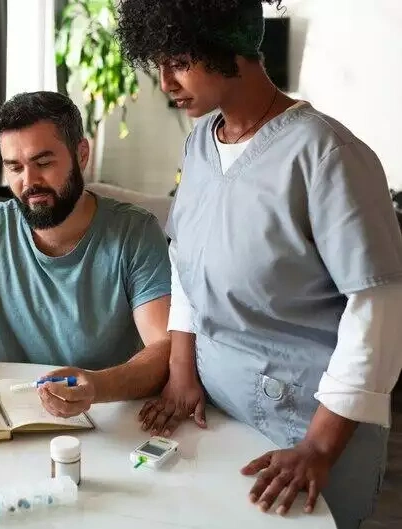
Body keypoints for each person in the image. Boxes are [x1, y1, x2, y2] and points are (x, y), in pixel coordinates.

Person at [116, 1, 402, 528]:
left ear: (230, 44)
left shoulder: (327, 155)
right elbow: (185, 260)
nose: (165, 82)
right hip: (216, 415)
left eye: (177, 60)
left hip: (304, 430)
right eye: (156, 63)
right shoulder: (202, 140)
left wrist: (319, 446)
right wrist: (181, 371)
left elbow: (377, 311)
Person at [0, 91, 172, 422]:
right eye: (14, 168)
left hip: (111, 418)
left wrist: (96, 386)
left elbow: (163, 349)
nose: (29, 183)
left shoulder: (135, 232)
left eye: (43, 163)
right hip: (13, 417)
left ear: (81, 154)